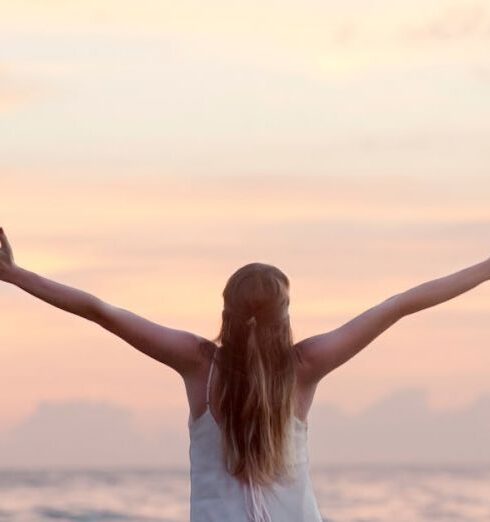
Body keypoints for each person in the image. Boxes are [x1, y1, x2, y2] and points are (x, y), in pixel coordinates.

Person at [1, 225, 489, 521]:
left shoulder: (198, 364)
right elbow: (402, 304)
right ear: (285, 314)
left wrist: (14, 274)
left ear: (226, 309)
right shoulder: (306, 365)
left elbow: (98, 309)